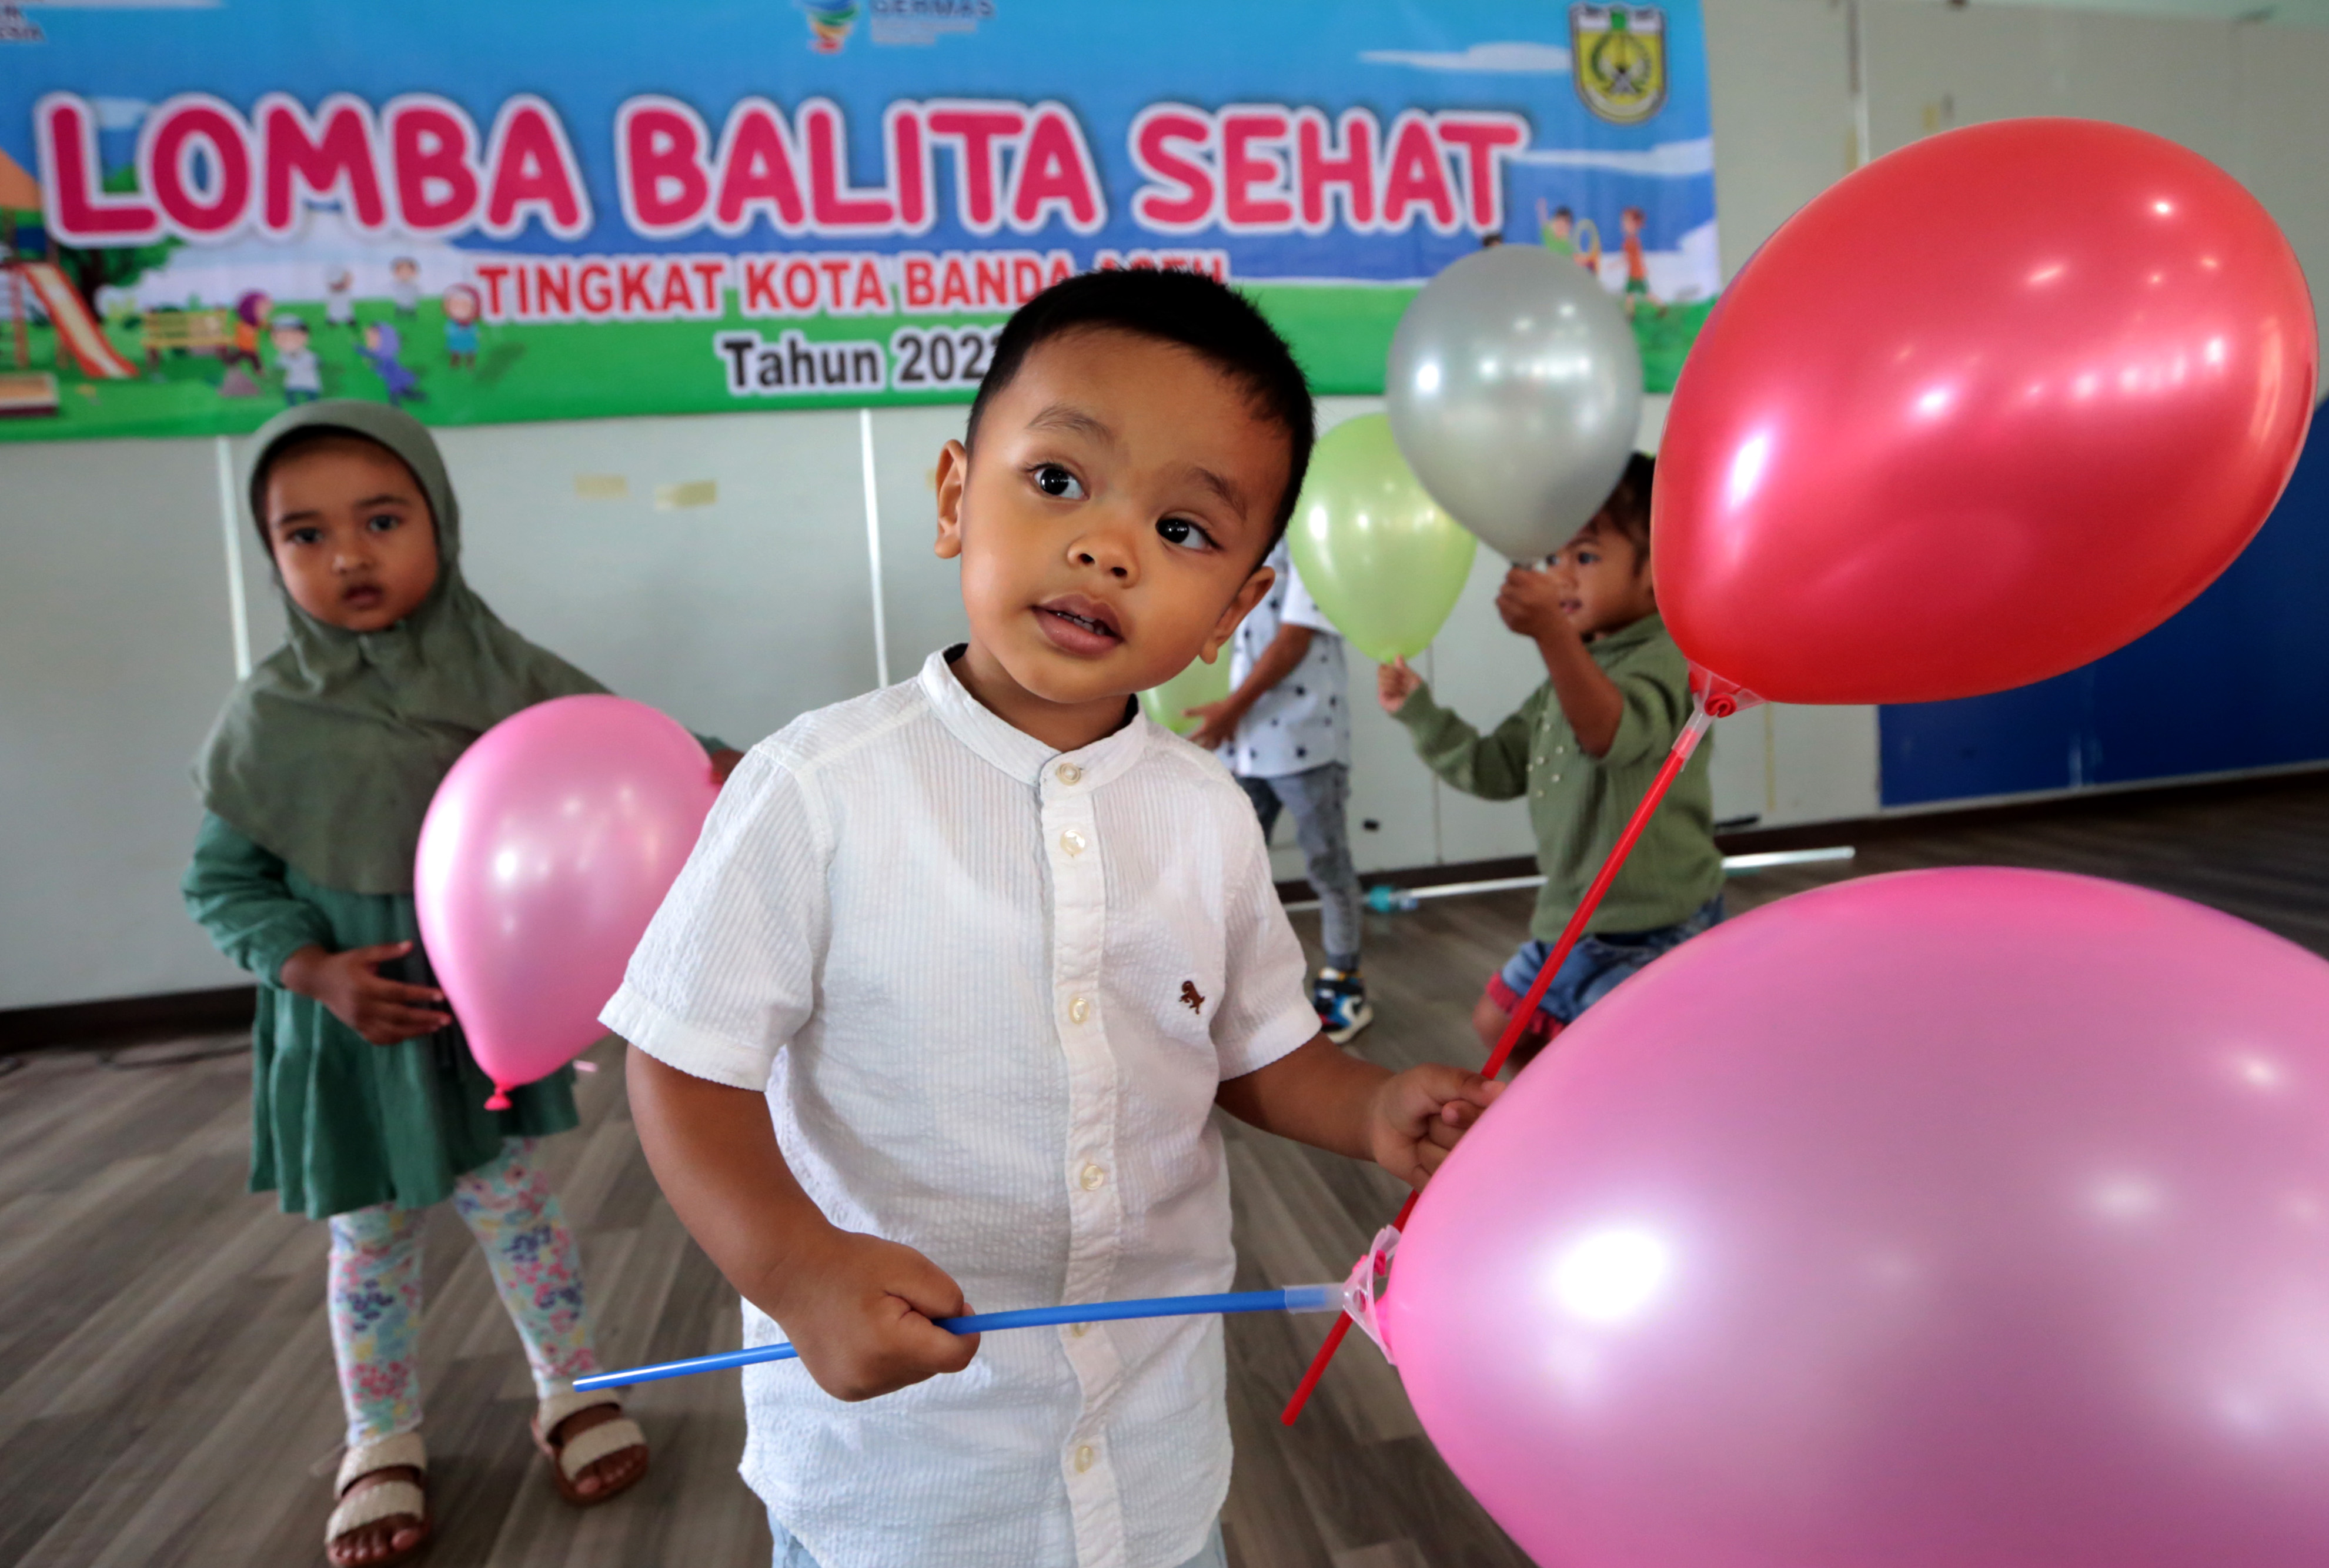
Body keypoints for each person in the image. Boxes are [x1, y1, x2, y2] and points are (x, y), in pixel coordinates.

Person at [606, 270, 1499, 1568]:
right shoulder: (815, 788)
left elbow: (1251, 1048)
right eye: (1058, 480)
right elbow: (684, 1065)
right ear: (954, 496)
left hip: (1150, 1465)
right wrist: (795, 1268)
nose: (1108, 546)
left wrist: (1367, 1110)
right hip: (900, 1482)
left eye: (1183, 529)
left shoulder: (1207, 813)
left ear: (1234, 611)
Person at [182, 401, 743, 1568]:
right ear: (270, 554)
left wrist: (733, 769)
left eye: (382, 520)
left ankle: (572, 1388)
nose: (348, 555)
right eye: (305, 534)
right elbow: (221, 883)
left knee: (520, 1213)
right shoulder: (265, 719)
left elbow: (620, 741)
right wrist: (312, 969)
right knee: (372, 1241)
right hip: (355, 1037)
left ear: (439, 521)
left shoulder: (504, 671)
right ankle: (380, 1436)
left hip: (479, 1022)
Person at [1378, 454, 1722, 1072]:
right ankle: (1563, 1119)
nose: (1561, 575)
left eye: (1584, 557)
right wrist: (1420, 712)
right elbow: (1494, 768)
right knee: (1497, 1024)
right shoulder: (1564, 681)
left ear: (1659, 570)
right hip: (1572, 923)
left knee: (1631, 1067)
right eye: (1554, 557)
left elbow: (1612, 733)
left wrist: (1552, 637)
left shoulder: (1671, 660)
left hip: (1652, 929)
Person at [1183, 538, 1370, 1042]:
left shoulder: (1312, 542)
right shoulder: (1242, 541)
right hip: (1243, 746)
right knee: (1235, 873)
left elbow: (1294, 640)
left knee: (1328, 866)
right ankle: (1243, 993)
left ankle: (1344, 982)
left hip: (1304, 741)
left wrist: (1230, 709)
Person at [270, 313, 322, 405]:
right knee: (291, 399)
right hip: (292, 383)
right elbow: (279, 367)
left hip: (309, 383)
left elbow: (316, 363)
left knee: (312, 403)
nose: (289, 341)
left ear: (305, 337)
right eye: (282, 338)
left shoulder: (309, 355)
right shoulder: (282, 356)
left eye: (294, 337)